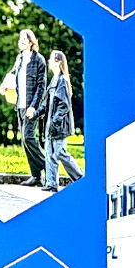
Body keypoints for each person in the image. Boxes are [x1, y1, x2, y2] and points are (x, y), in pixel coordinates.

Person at [0, 29, 46, 186]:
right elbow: (12, 74)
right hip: (20, 105)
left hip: (31, 106)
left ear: (31, 41)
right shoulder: (19, 58)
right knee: (25, 142)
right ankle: (36, 176)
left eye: (25, 38)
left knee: (28, 137)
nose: (22, 40)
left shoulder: (39, 60)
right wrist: (4, 86)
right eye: (21, 38)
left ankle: (47, 166)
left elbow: (41, 86)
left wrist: (33, 106)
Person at [40, 50, 82, 192]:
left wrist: (54, 122)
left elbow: (64, 105)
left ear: (58, 62)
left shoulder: (62, 80)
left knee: (59, 152)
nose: (49, 61)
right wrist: (36, 113)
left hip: (58, 126)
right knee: (49, 154)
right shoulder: (54, 80)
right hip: (50, 124)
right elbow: (46, 103)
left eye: (51, 59)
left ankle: (79, 177)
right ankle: (51, 183)